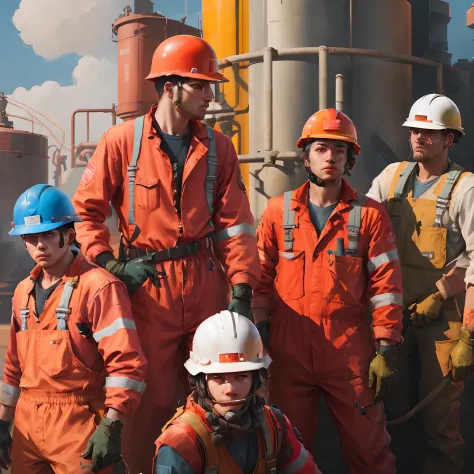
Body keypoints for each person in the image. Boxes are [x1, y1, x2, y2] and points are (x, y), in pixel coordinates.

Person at [72, 34, 260, 473]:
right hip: (146, 288)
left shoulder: (219, 147)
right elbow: (85, 215)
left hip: (205, 286)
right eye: (202, 86)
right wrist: (111, 263)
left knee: (216, 394)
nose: (211, 96)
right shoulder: (121, 141)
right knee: (149, 398)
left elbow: (237, 225)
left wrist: (241, 288)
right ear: (170, 86)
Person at [252, 108, 404, 474]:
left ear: (350, 158)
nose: (330, 157)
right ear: (306, 156)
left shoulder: (369, 215)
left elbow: (387, 286)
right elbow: (258, 281)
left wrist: (385, 347)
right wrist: (258, 336)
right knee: (285, 450)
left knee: (370, 454)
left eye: (339, 150)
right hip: (288, 352)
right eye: (321, 149)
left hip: (349, 352)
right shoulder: (277, 212)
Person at [0, 184, 146, 473]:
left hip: (79, 426)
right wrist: (4, 423)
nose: (39, 244)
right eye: (30, 237)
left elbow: (127, 367)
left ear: (69, 235)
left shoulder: (99, 288)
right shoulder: (22, 293)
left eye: (48, 234)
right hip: (27, 429)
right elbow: (13, 368)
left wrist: (112, 426)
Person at [367, 94, 474, 474]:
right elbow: (363, 233)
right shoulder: (390, 178)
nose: (419, 137)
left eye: (429, 132)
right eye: (414, 130)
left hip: (442, 317)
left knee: (440, 417)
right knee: (390, 409)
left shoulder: (465, 189)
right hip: (393, 314)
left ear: (450, 139)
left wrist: (443, 295)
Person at [154, 310, 322, 473]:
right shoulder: (180, 441)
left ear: (255, 380)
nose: (230, 389)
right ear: (200, 382)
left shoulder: (275, 425)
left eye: (241, 377)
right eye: (218, 378)